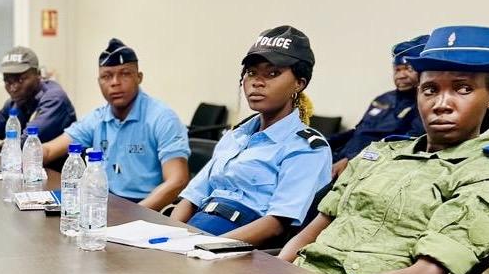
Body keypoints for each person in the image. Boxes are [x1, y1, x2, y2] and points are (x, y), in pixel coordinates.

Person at [282, 26, 489, 274]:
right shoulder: (379, 154)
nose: (442, 104)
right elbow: (313, 230)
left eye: (463, 89)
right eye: (430, 90)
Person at [169, 26, 331, 246]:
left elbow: (276, 224)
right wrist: (172, 237)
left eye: (272, 73)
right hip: (194, 234)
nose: (257, 82)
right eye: (251, 72)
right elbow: (191, 199)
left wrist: (203, 247)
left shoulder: (306, 147)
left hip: (241, 249)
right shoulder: (235, 136)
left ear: (299, 83)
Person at [41, 38, 190, 211]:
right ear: (99, 82)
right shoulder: (97, 118)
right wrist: (25, 157)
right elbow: (49, 150)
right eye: (106, 76)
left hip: (146, 206)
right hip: (103, 203)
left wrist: (136, 214)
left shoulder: (162, 118)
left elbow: (177, 180)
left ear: (139, 77)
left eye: (124, 74)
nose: (115, 82)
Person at [329, 34, 429, 178]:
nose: (401, 75)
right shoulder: (383, 98)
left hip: (369, 167)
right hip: (341, 158)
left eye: (408, 69)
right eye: (397, 70)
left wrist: (351, 160)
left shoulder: (423, 104)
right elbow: (358, 131)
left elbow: (404, 144)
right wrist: (324, 143)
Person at [0, 46, 76, 152]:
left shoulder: (54, 98)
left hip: (61, 164)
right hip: (28, 163)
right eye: (7, 81)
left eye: (20, 80)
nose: (13, 88)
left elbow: (28, 139)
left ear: (38, 74)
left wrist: (4, 146)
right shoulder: (15, 102)